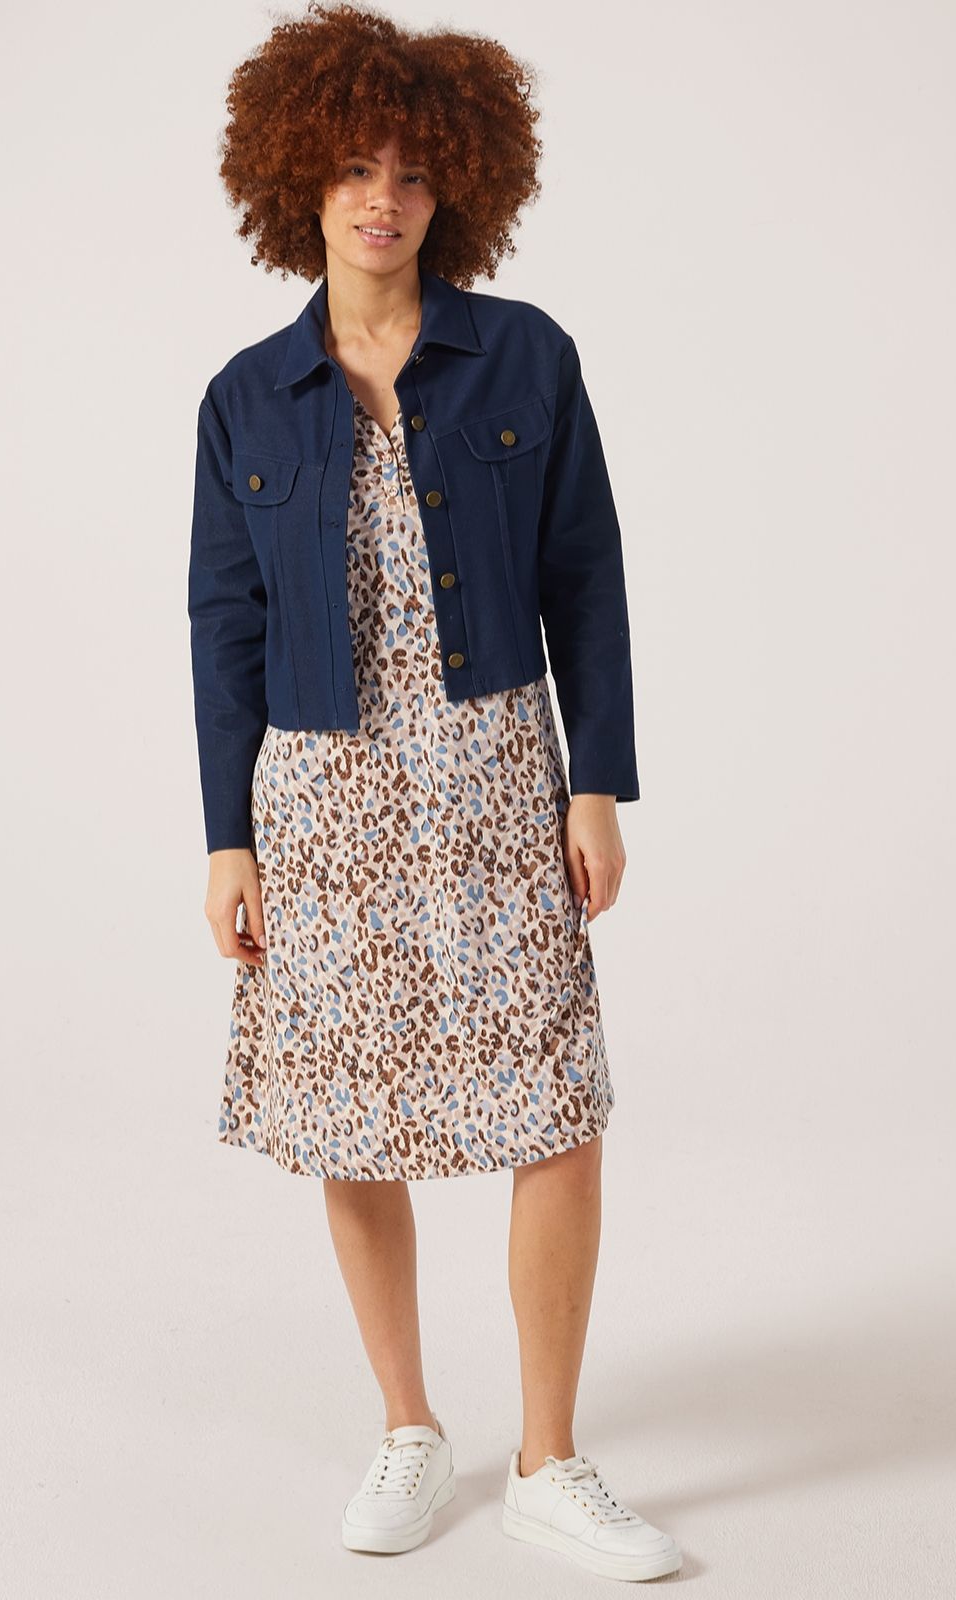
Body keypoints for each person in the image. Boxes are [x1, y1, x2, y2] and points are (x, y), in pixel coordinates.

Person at [187, 2, 680, 1582]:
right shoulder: (246, 397)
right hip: (323, 798)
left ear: (456, 184)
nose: (382, 198)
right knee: (354, 1110)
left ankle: (550, 1458)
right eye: (352, 169)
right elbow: (223, 624)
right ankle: (410, 1426)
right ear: (301, 185)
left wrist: (595, 787)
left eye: (409, 170)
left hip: (496, 776)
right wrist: (227, 835)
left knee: (556, 1099)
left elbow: (586, 578)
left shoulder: (527, 357)